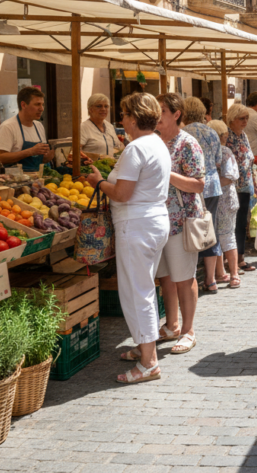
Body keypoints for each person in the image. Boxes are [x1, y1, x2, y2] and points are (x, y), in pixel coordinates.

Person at [85, 93, 170, 384]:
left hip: (136, 224)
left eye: (122, 115)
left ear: (133, 119)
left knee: (138, 292)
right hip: (153, 221)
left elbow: (122, 193)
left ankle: (149, 362)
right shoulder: (157, 143)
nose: (120, 120)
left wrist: (99, 182)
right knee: (143, 287)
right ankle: (144, 347)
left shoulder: (136, 149)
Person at [153, 94, 206, 355]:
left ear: (176, 114)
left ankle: (188, 331)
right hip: (157, 220)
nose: (157, 115)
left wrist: (167, 174)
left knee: (184, 277)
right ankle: (171, 324)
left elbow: (198, 184)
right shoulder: (153, 141)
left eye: (161, 110)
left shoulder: (187, 143)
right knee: (165, 276)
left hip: (181, 219)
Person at [182, 97, 227, 291]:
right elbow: (218, 160)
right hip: (212, 186)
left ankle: (189, 276)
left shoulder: (182, 133)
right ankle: (211, 279)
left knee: (190, 229)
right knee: (210, 229)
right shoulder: (211, 131)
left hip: (190, 187)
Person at [207, 120, 241, 289]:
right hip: (220, 199)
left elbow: (230, 177)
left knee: (226, 235)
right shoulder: (219, 151)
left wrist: (209, 183)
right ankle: (221, 273)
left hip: (224, 199)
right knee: (219, 236)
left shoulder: (225, 152)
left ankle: (234, 274)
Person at [225, 103, 257, 273]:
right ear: (232, 119)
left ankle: (240, 257)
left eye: (247, 118)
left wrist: (256, 185)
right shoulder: (226, 136)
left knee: (242, 224)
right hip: (232, 187)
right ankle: (232, 260)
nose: (245, 121)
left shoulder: (243, 136)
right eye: (242, 118)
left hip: (245, 186)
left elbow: (251, 162)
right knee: (232, 224)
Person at [0, 86, 55, 172]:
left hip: (38, 179)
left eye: (42, 104)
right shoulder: (8, 127)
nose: (42, 109)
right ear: (23, 105)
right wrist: (30, 151)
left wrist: (48, 157)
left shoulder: (39, 126)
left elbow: (39, 160)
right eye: (37, 104)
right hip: (17, 181)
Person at [81, 93, 124, 159]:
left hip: (111, 167)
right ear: (90, 109)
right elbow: (75, 152)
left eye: (106, 106)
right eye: (99, 106)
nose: (103, 109)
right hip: (92, 167)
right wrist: (98, 157)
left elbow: (117, 146)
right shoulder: (83, 127)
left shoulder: (109, 126)